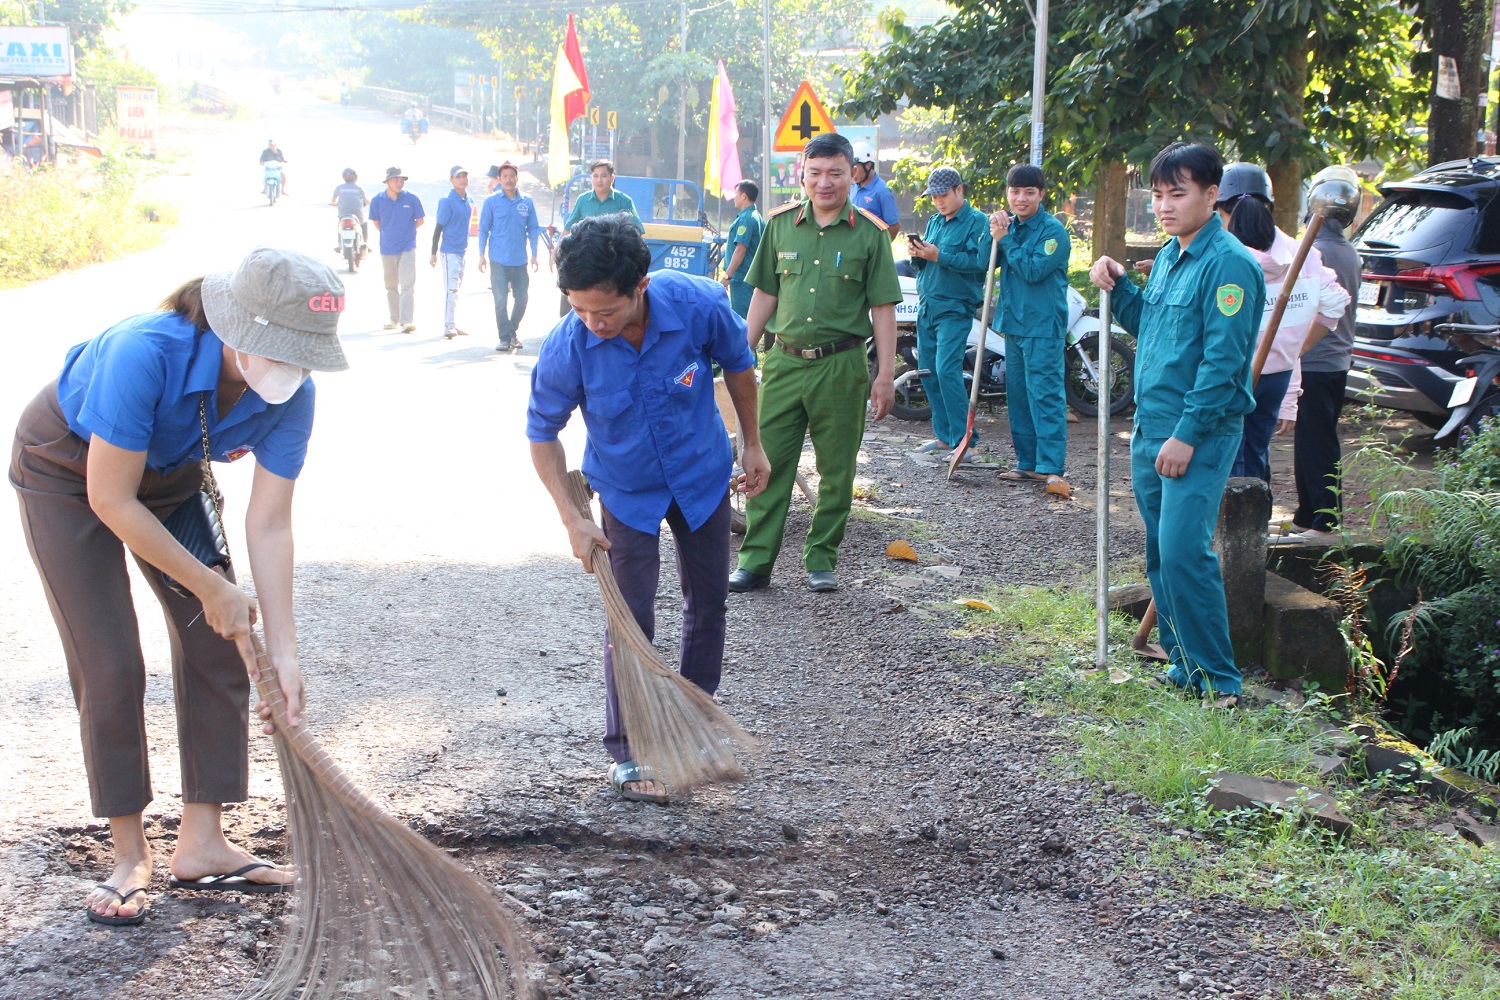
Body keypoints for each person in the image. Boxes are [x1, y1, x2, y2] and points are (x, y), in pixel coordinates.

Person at [9, 247, 349, 926]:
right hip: (70, 474)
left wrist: (283, 648)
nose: (292, 367)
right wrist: (211, 586)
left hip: (170, 484)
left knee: (223, 645)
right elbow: (111, 498)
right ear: (233, 333)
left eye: (303, 353)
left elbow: (271, 522)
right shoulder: (146, 352)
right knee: (110, 663)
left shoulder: (292, 395)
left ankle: (202, 842)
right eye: (279, 349)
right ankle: (130, 852)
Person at [526, 215, 768, 804]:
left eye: (603, 310)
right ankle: (632, 750)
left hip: (701, 476)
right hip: (626, 492)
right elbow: (542, 433)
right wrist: (573, 518)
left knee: (708, 602)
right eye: (579, 309)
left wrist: (753, 442)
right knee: (630, 622)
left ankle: (695, 725)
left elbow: (739, 364)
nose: (592, 323)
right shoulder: (570, 343)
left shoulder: (697, 304)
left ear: (640, 287)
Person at [1089, 142, 1265, 704]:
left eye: (1177, 194)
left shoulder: (1229, 264)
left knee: (1187, 551)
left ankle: (1219, 680)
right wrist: (1120, 287)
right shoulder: (1169, 255)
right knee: (1161, 553)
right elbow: (1148, 325)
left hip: (1198, 431)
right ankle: (1183, 664)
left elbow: (1223, 363)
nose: (1164, 206)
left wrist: (1186, 435)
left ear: (1212, 196)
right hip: (1150, 425)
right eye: (1158, 194)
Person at [730, 132, 902, 595]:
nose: (825, 183)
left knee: (837, 469)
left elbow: (883, 308)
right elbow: (765, 292)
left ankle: (822, 557)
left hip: (841, 366)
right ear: (802, 176)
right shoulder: (779, 225)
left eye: (835, 173)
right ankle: (756, 561)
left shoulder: (870, 232)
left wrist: (885, 376)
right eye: (816, 173)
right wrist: (739, 351)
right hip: (784, 364)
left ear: (853, 175)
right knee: (765, 463)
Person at [1214, 163, 1349, 485]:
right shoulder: (1298, 252)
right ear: (1269, 206)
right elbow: (1335, 305)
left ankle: (1229, 530)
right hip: (1277, 376)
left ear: (1220, 209)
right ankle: (1255, 528)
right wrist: (1293, 350)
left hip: (1228, 370)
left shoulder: (1222, 256)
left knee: (1227, 454)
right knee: (1256, 452)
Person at [988, 164, 1073, 491]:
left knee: (1045, 395)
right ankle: (1028, 464)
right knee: (1019, 395)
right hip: (1014, 324)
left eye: (1028, 192)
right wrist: (993, 230)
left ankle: (1051, 466)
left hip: (1042, 325)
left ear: (1041, 194)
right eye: (1014, 192)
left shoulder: (1052, 232)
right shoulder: (1011, 227)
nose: (1020, 199)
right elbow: (988, 258)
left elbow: (1033, 270)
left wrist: (1005, 239)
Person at [1292, 165, 1363, 538]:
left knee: (1316, 441)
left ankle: (1325, 522)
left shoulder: (1312, 252)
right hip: (1335, 361)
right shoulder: (1349, 251)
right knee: (1312, 438)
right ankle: (1307, 515)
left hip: (1315, 360)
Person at [907, 166, 990, 456]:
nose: (939, 201)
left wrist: (938, 255)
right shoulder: (935, 221)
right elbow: (925, 264)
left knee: (946, 369)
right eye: (934, 197)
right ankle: (944, 437)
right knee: (928, 371)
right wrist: (919, 254)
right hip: (928, 304)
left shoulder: (977, 222)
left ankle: (965, 440)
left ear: (959, 191)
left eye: (944, 195)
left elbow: (981, 264)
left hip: (955, 307)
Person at [478, 161, 541, 353]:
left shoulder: (526, 201)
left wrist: (535, 254)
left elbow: (533, 228)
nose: (508, 179)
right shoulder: (491, 201)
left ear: (516, 177)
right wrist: (481, 255)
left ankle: (512, 330)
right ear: (500, 179)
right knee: (500, 300)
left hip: (519, 260)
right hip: (498, 260)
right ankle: (505, 338)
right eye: (504, 176)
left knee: (522, 299)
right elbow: (483, 229)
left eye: (511, 176)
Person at [369, 166, 425, 333]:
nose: (400, 183)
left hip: (407, 247)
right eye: (396, 180)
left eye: (402, 180)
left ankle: (407, 321)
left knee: (408, 285)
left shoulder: (412, 198)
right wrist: (390, 234)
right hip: (387, 248)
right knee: (391, 285)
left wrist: (407, 233)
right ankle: (394, 319)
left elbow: (420, 220)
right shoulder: (377, 200)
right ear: (387, 182)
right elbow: (377, 223)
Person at [430, 165, 474, 340]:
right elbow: (438, 227)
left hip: (462, 250)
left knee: (457, 289)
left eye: (464, 176)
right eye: (458, 177)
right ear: (451, 180)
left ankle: (454, 322)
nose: (462, 180)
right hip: (449, 251)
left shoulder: (468, 199)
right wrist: (433, 252)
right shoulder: (447, 201)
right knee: (451, 289)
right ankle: (449, 325)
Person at [722, 179, 765, 322]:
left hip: (741, 277)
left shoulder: (746, 219)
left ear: (744, 196)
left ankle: (743, 345)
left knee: (740, 321)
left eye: (736, 194)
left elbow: (740, 250)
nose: (734, 197)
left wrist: (727, 277)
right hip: (750, 276)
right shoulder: (757, 217)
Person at [564, 160, 644, 233]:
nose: (599, 180)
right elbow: (568, 229)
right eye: (595, 176)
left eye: (604, 176)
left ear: (612, 178)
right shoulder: (582, 200)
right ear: (591, 178)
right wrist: (557, 248)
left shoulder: (625, 201)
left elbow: (637, 230)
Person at [850, 141, 901, 241]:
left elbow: (894, 226)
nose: (852, 173)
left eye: (855, 168)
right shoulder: (853, 186)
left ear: (868, 165)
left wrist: (881, 249)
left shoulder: (882, 191)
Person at [329, 167, 368, 252]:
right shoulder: (359, 187)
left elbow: (333, 200)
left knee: (340, 226)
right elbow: (367, 201)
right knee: (363, 224)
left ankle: (339, 245)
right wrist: (364, 204)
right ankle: (365, 243)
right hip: (357, 214)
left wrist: (333, 204)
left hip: (343, 213)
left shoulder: (339, 187)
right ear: (355, 177)